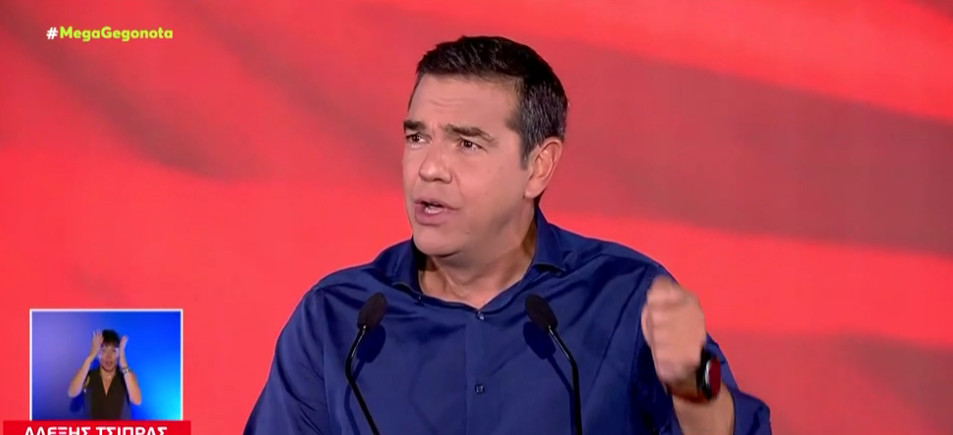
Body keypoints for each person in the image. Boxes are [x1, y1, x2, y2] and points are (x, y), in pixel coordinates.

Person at [245, 35, 771, 434]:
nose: (429, 168)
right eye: (417, 137)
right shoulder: (339, 318)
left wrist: (695, 385)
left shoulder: (624, 297)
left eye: (467, 144)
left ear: (538, 167)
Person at [67, 329, 143, 419]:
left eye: (113, 351)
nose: (108, 356)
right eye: (103, 350)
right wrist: (90, 358)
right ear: (97, 353)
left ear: (119, 353)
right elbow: (72, 392)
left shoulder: (127, 376)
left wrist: (123, 364)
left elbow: (137, 400)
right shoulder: (89, 375)